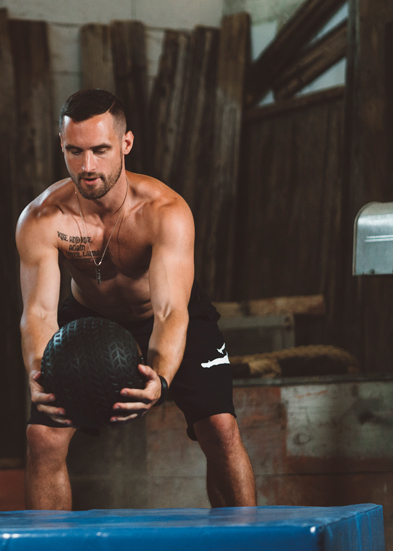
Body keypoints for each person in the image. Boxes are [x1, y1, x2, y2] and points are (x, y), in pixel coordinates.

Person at [16, 89, 256, 510]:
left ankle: (249, 539)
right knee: (42, 437)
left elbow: (170, 311)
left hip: (163, 312)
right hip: (88, 322)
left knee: (219, 428)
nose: (87, 166)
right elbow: (38, 312)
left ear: (126, 143)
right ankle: (50, 541)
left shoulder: (165, 211)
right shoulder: (42, 218)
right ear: (61, 145)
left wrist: (161, 377)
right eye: (74, 151)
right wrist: (40, 371)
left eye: (100, 150)